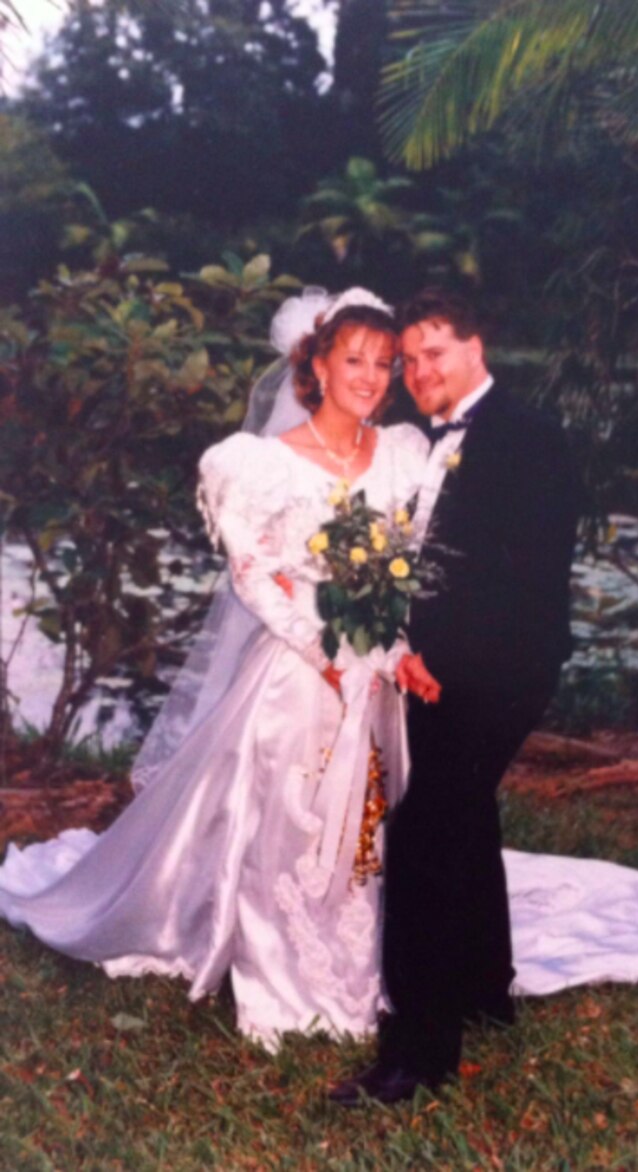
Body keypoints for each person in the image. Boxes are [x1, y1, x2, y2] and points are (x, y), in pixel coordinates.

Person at [0, 287, 434, 1048]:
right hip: (301, 667)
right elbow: (254, 573)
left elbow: (409, 564)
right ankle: (281, 966)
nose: (370, 377)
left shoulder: (401, 452)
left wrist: (388, 649)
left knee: (370, 816)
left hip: (379, 671)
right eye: (354, 360)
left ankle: (370, 949)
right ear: (319, 366)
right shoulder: (261, 463)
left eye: (385, 364)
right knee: (285, 816)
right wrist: (323, 649)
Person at [331, 287, 581, 1105]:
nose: (416, 371)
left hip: (501, 672)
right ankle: (484, 989)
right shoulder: (426, 440)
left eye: (432, 353)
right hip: (438, 669)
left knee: (425, 833)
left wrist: (444, 659)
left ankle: (417, 1054)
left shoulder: (532, 439)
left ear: (477, 348)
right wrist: (411, 649)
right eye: (407, 360)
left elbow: (528, 586)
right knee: (464, 814)